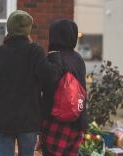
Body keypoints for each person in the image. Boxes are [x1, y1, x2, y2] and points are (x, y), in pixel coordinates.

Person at [0, 10, 63, 156]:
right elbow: (52, 75)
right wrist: (56, 56)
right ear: (28, 29)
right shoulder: (35, 51)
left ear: (10, 28)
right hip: (27, 122)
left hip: (0, 122)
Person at [40, 19, 88, 156]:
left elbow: (48, 88)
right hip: (75, 119)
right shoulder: (78, 59)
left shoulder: (54, 57)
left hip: (55, 120)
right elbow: (82, 89)